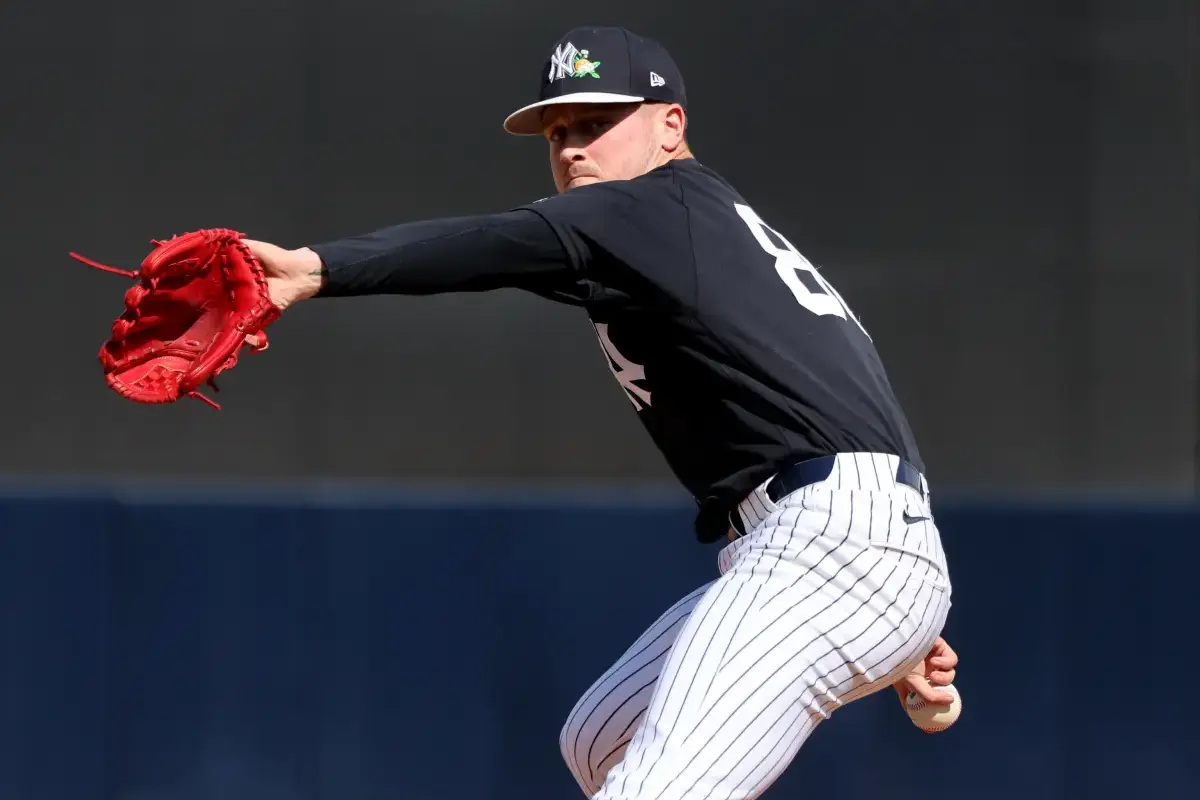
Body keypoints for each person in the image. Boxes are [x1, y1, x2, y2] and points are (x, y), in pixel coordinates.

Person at [245, 25, 958, 800]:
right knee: (600, 739)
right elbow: (839, 391)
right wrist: (894, 605)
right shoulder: (692, 226)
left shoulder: (650, 209)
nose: (573, 148)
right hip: (833, 540)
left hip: (830, 543)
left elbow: (490, 243)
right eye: (558, 131)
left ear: (670, 125)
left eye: (596, 123)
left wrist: (314, 269)